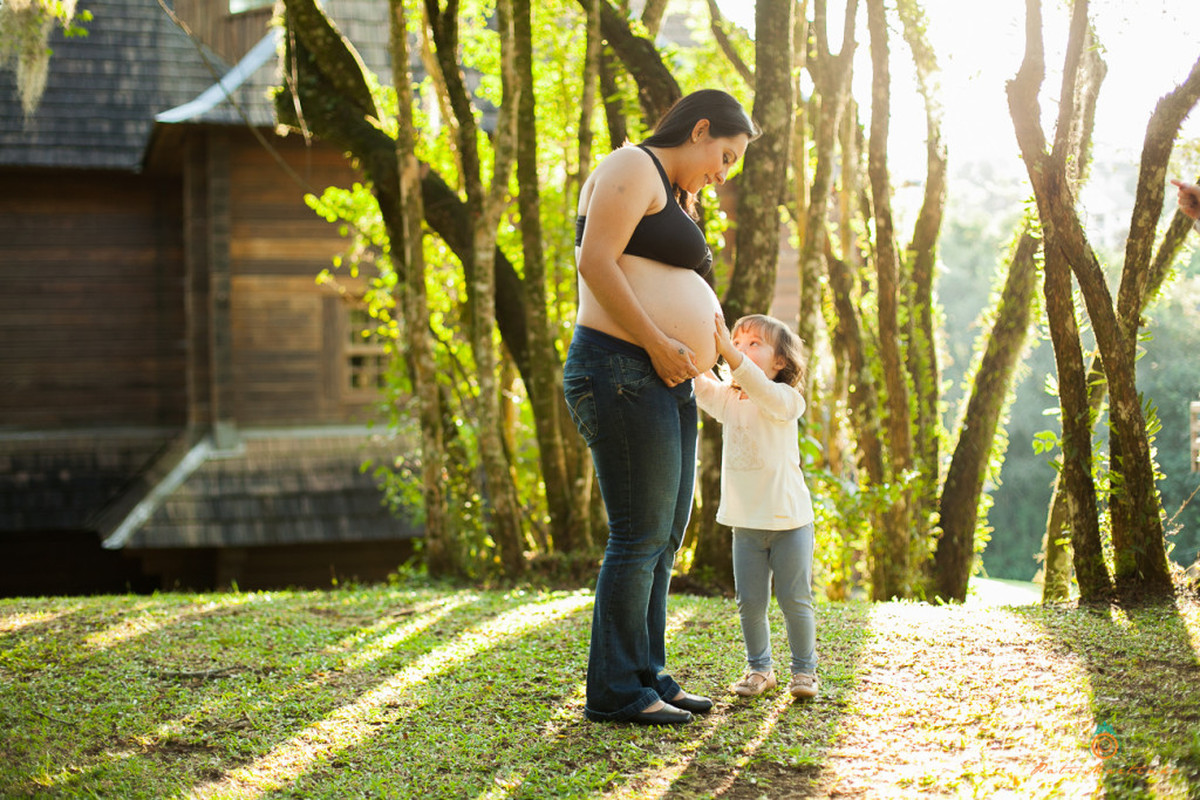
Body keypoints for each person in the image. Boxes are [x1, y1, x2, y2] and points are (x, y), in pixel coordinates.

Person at [563, 89, 760, 726]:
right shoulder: (631, 167)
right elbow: (595, 263)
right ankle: (618, 691)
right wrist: (658, 340)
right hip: (619, 366)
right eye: (724, 156)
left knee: (664, 536)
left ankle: (649, 675)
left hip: (663, 375)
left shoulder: (674, 196)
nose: (723, 173)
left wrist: (711, 352)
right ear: (700, 129)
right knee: (638, 534)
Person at [693, 313, 819, 701]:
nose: (740, 350)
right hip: (745, 523)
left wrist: (731, 355)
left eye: (753, 344)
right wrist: (683, 352)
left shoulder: (786, 399)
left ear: (779, 361)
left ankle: (804, 671)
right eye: (736, 341)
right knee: (750, 603)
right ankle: (760, 668)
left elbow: (761, 389)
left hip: (789, 521)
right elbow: (701, 385)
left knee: (795, 600)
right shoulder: (731, 399)